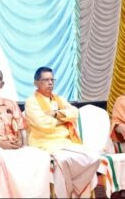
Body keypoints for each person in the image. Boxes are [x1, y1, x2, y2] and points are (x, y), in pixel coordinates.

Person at [0, 67, 52, 198]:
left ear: (2, 84)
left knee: (41, 157)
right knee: (4, 162)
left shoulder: (10, 104)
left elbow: (21, 128)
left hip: (12, 146)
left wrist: (19, 141)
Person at [24, 66, 100, 198]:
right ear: (36, 82)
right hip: (44, 142)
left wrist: (55, 114)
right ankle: (64, 194)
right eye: (45, 80)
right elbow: (43, 124)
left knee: (93, 157)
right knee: (64, 161)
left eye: (52, 80)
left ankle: (77, 188)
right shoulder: (31, 102)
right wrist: (64, 119)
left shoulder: (59, 99)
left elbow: (75, 113)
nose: (50, 83)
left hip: (66, 142)